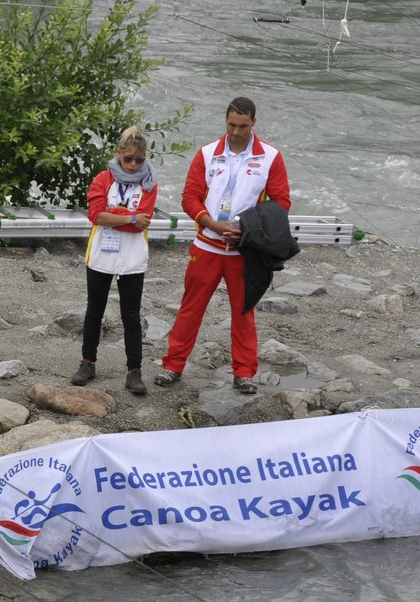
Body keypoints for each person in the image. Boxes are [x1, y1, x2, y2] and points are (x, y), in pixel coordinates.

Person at [156, 97, 291, 395]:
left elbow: (281, 203)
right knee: (191, 309)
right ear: (225, 120)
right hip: (206, 245)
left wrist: (247, 227)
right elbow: (189, 197)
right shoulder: (207, 154)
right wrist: (212, 224)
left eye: (243, 126)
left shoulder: (270, 156)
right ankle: (173, 366)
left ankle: (243, 373)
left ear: (254, 122)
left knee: (244, 312)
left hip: (245, 250)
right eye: (231, 124)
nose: (236, 132)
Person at [70, 126, 157, 397]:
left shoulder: (149, 184)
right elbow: (96, 215)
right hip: (101, 254)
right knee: (94, 310)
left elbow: (145, 219)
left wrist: (115, 215)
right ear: (119, 154)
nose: (133, 165)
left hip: (132, 256)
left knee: (130, 315)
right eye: (128, 159)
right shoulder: (102, 179)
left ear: (145, 158)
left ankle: (134, 371)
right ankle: (88, 363)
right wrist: (129, 218)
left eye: (139, 161)